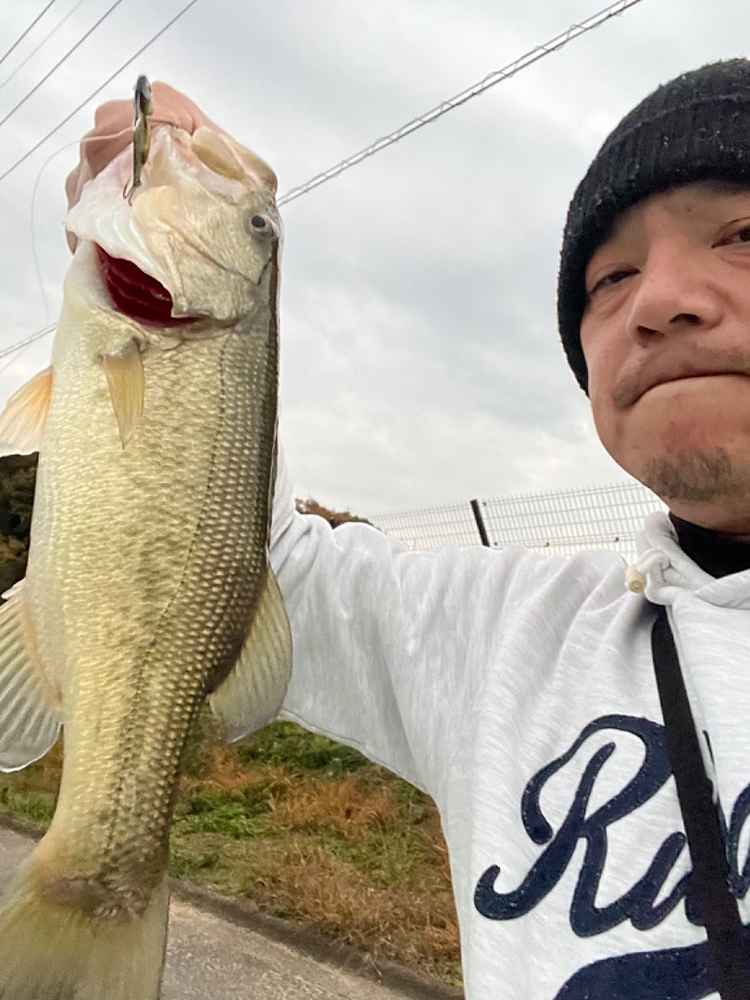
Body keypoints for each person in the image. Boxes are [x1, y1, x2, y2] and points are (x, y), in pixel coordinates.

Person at [65, 61, 750, 999]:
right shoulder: (512, 633)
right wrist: (148, 250)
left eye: (742, 235)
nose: (659, 299)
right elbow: (244, 560)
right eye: (612, 276)